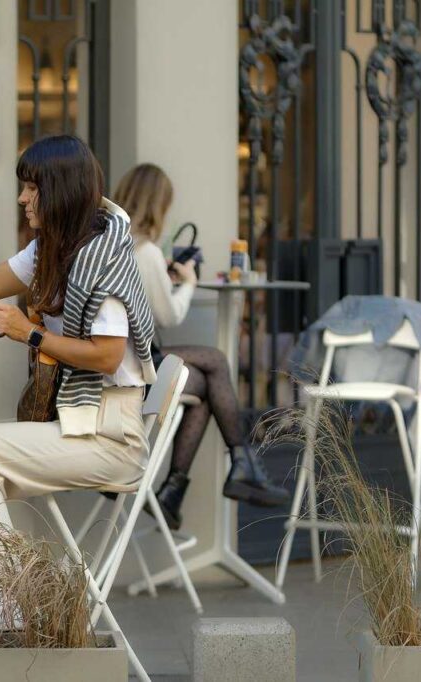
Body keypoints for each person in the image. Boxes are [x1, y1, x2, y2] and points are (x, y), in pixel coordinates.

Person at [0, 135, 157, 626]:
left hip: (110, 437)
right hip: (81, 425)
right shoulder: (55, 249)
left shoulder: (102, 260)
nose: (22, 199)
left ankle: (11, 598)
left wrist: (32, 335)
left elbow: (107, 357)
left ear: (57, 190)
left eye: (31, 188)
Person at [112, 163, 289, 530]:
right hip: (136, 372)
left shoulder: (114, 244)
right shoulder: (145, 252)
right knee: (215, 365)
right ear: (157, 206)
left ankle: (179, 490)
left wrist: (164, 276)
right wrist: (188, 282)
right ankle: (237, 465)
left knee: (211, 373)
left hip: (122, 362)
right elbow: (168, 315)